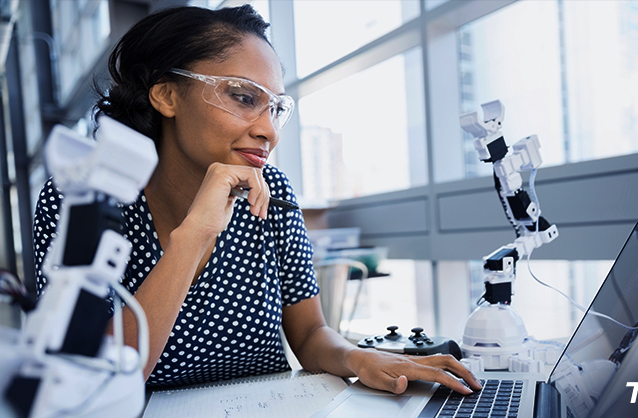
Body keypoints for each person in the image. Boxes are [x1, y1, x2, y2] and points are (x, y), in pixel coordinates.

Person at [32, 4, 480, 395]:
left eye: (275, 108)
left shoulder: (273, 191)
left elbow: (310, 335)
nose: (269, 130)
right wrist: (195, 234)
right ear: (167, 94)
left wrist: (359, 359)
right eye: (244, 98)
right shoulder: (84, 197)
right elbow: (93, 377)